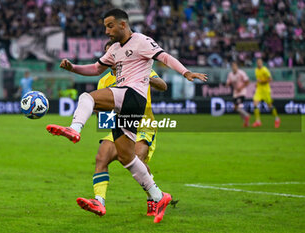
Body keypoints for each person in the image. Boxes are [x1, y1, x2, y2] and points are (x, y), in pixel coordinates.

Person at [46, 9, 207, 223]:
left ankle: (74, 129)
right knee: (127, 158)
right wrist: (72, 67)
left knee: (87, 97)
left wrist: (186, 72)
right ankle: (159, 196)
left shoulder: (141, 40)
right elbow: (96, 69)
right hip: (127, 105)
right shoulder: (114, 49)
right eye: (105, 26)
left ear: (123, 25)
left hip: (133, 95)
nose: (106, 31)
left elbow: (164, 57)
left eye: (110, 25)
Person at [77, 41, 167, 217]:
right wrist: (96, 109)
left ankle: (154, 198)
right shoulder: (104, 80)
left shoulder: (139, 68)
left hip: (143, 125)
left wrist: (148, 78)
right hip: (121, 125)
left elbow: (163, 86)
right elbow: (101, 112)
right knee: (101, 157)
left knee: (137, 160)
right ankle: (99, 202)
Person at [252, 58, 281, 128]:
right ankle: (258, 121)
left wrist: (262, 81)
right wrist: (257, 83)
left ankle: (277, 118)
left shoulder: (265, 70)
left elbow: (270, 79)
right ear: (257, 63)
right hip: (259, 90)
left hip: (266, 90)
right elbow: (258, 79)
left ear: (262, 63)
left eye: (260, 62)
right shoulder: (256, 70)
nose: (259, 63)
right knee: (255, 103)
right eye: (258, 62)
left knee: (269, 106)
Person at [226, 62, 250, 127]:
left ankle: (247, 116)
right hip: (235, 92)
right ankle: (246, 121)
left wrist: (241, 87)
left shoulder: (241, 73)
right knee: (236, 108)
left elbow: (247, 82)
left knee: (239, 107)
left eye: (235, 66)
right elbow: (228, 82)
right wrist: (227, 85)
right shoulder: (230, 74)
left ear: (237, 67)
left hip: (242, 92)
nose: (234, 67)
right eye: (233, 66)